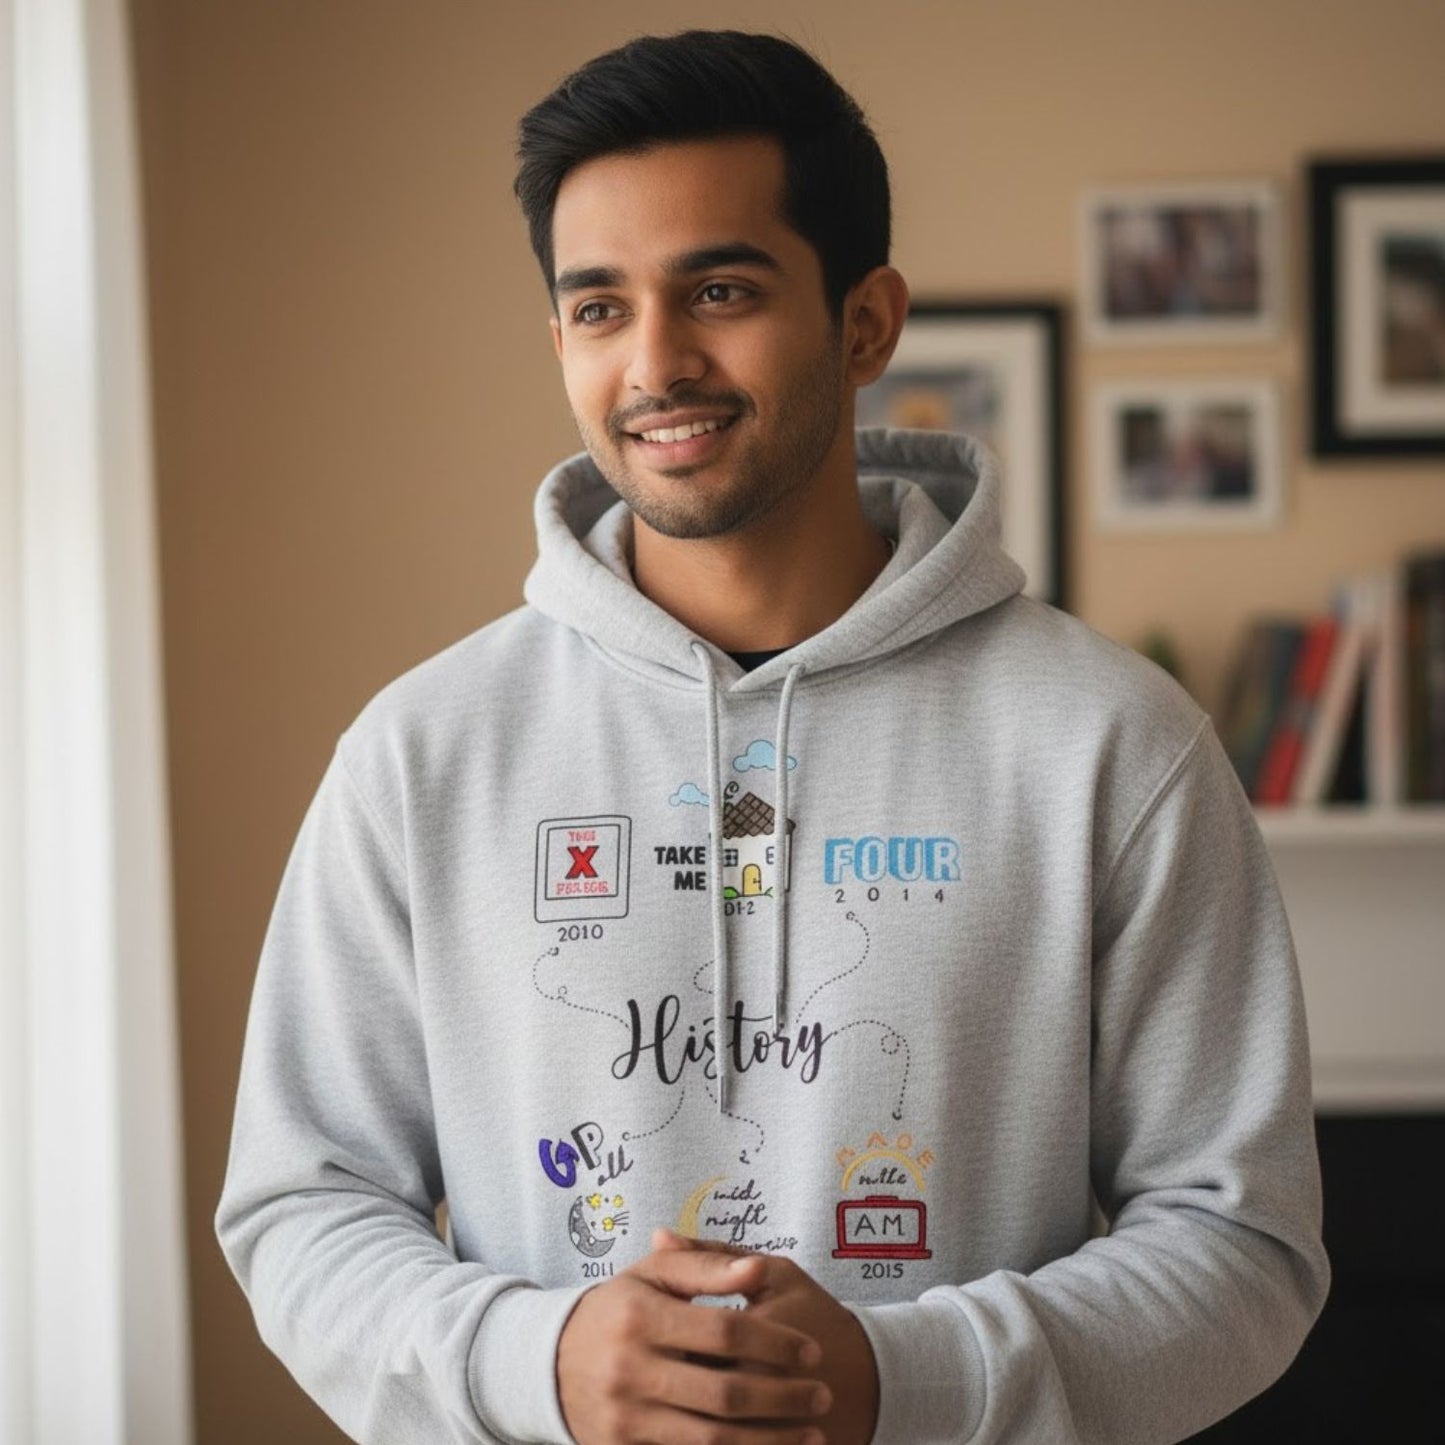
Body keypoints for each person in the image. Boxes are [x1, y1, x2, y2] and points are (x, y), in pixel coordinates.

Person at [216, 29, 1329, 1445]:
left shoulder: (1112, 743)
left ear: (864, 322)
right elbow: (300, 1205)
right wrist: (534, 1359)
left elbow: (1246, 1245)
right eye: (598, 307)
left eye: (720, 290)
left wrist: (899, 1378)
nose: (656, 362)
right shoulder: (421, 752)